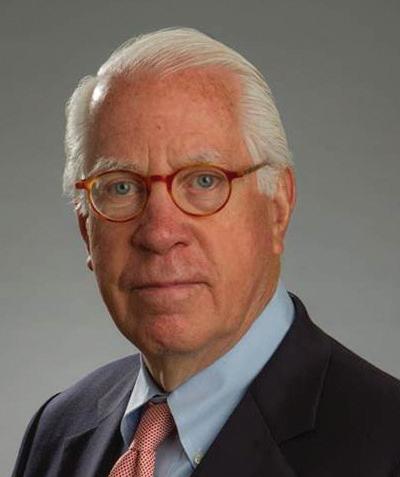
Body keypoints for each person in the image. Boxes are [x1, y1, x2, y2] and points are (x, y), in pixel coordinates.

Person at [12, 27, 400, 477]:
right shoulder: (57, 432)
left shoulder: (388, 445)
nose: (159, 234)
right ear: (86, 229)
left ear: (277, 207)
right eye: (120, 187)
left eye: (203, 180)